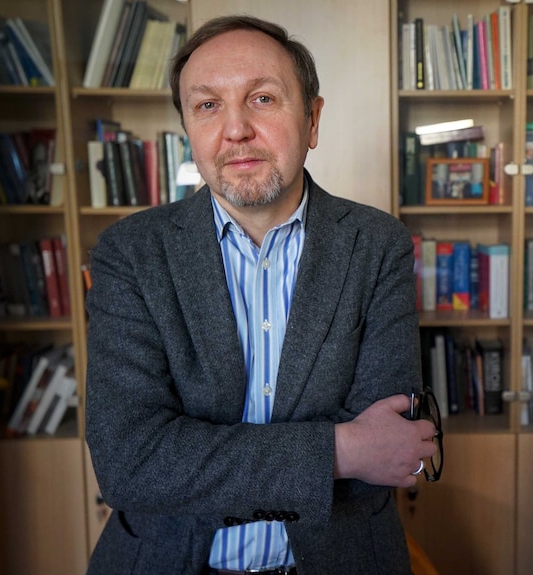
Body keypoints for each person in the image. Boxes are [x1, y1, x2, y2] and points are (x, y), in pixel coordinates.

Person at [84, 15, 436, 575]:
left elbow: (388, 454)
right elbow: (131, 462)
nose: (236, 129)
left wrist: (199, 456)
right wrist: (341, 450)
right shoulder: (131, 253)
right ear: (188, 130)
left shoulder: (377, 245)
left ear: (312, 119)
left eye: (264, 98)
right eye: (207, 106)